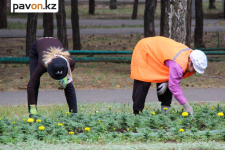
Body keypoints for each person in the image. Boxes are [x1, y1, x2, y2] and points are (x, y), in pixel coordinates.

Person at [130, 36, 207, 115]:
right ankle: (137, 115)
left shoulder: (188, 55)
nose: (194, 72)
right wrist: (186, 105)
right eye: (194, 69)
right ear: (190, 61)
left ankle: (164, 115)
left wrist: (166, 81)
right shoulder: (178, 64)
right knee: (143, 82)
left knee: (169, 81)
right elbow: (174, 87)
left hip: (157, 54)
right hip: (145, 50)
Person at [27, 37, 77, 116]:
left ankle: (74, 115)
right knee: (35, 82)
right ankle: (33, 114)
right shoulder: (42, 64)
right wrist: (32, 108)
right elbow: (30, 85)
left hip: (55, 41)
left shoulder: (69, 61)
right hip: (38, 45)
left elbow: (73, 66)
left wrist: (65, 77)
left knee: (68, 84)